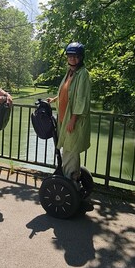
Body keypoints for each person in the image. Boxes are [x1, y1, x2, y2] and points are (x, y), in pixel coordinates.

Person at [48, 42, 91, 185]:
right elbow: (67, 92)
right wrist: (54, 99)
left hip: (73, 119)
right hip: (63, 117)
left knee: (70, 150)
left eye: (75, 56)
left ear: (81, 57)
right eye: (70, 55)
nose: (72, 58)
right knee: (68, 149)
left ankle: (69, 182)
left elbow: (81, 98)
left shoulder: (83, 74)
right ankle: (74, 176)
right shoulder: (70, 72)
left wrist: (73, 119)